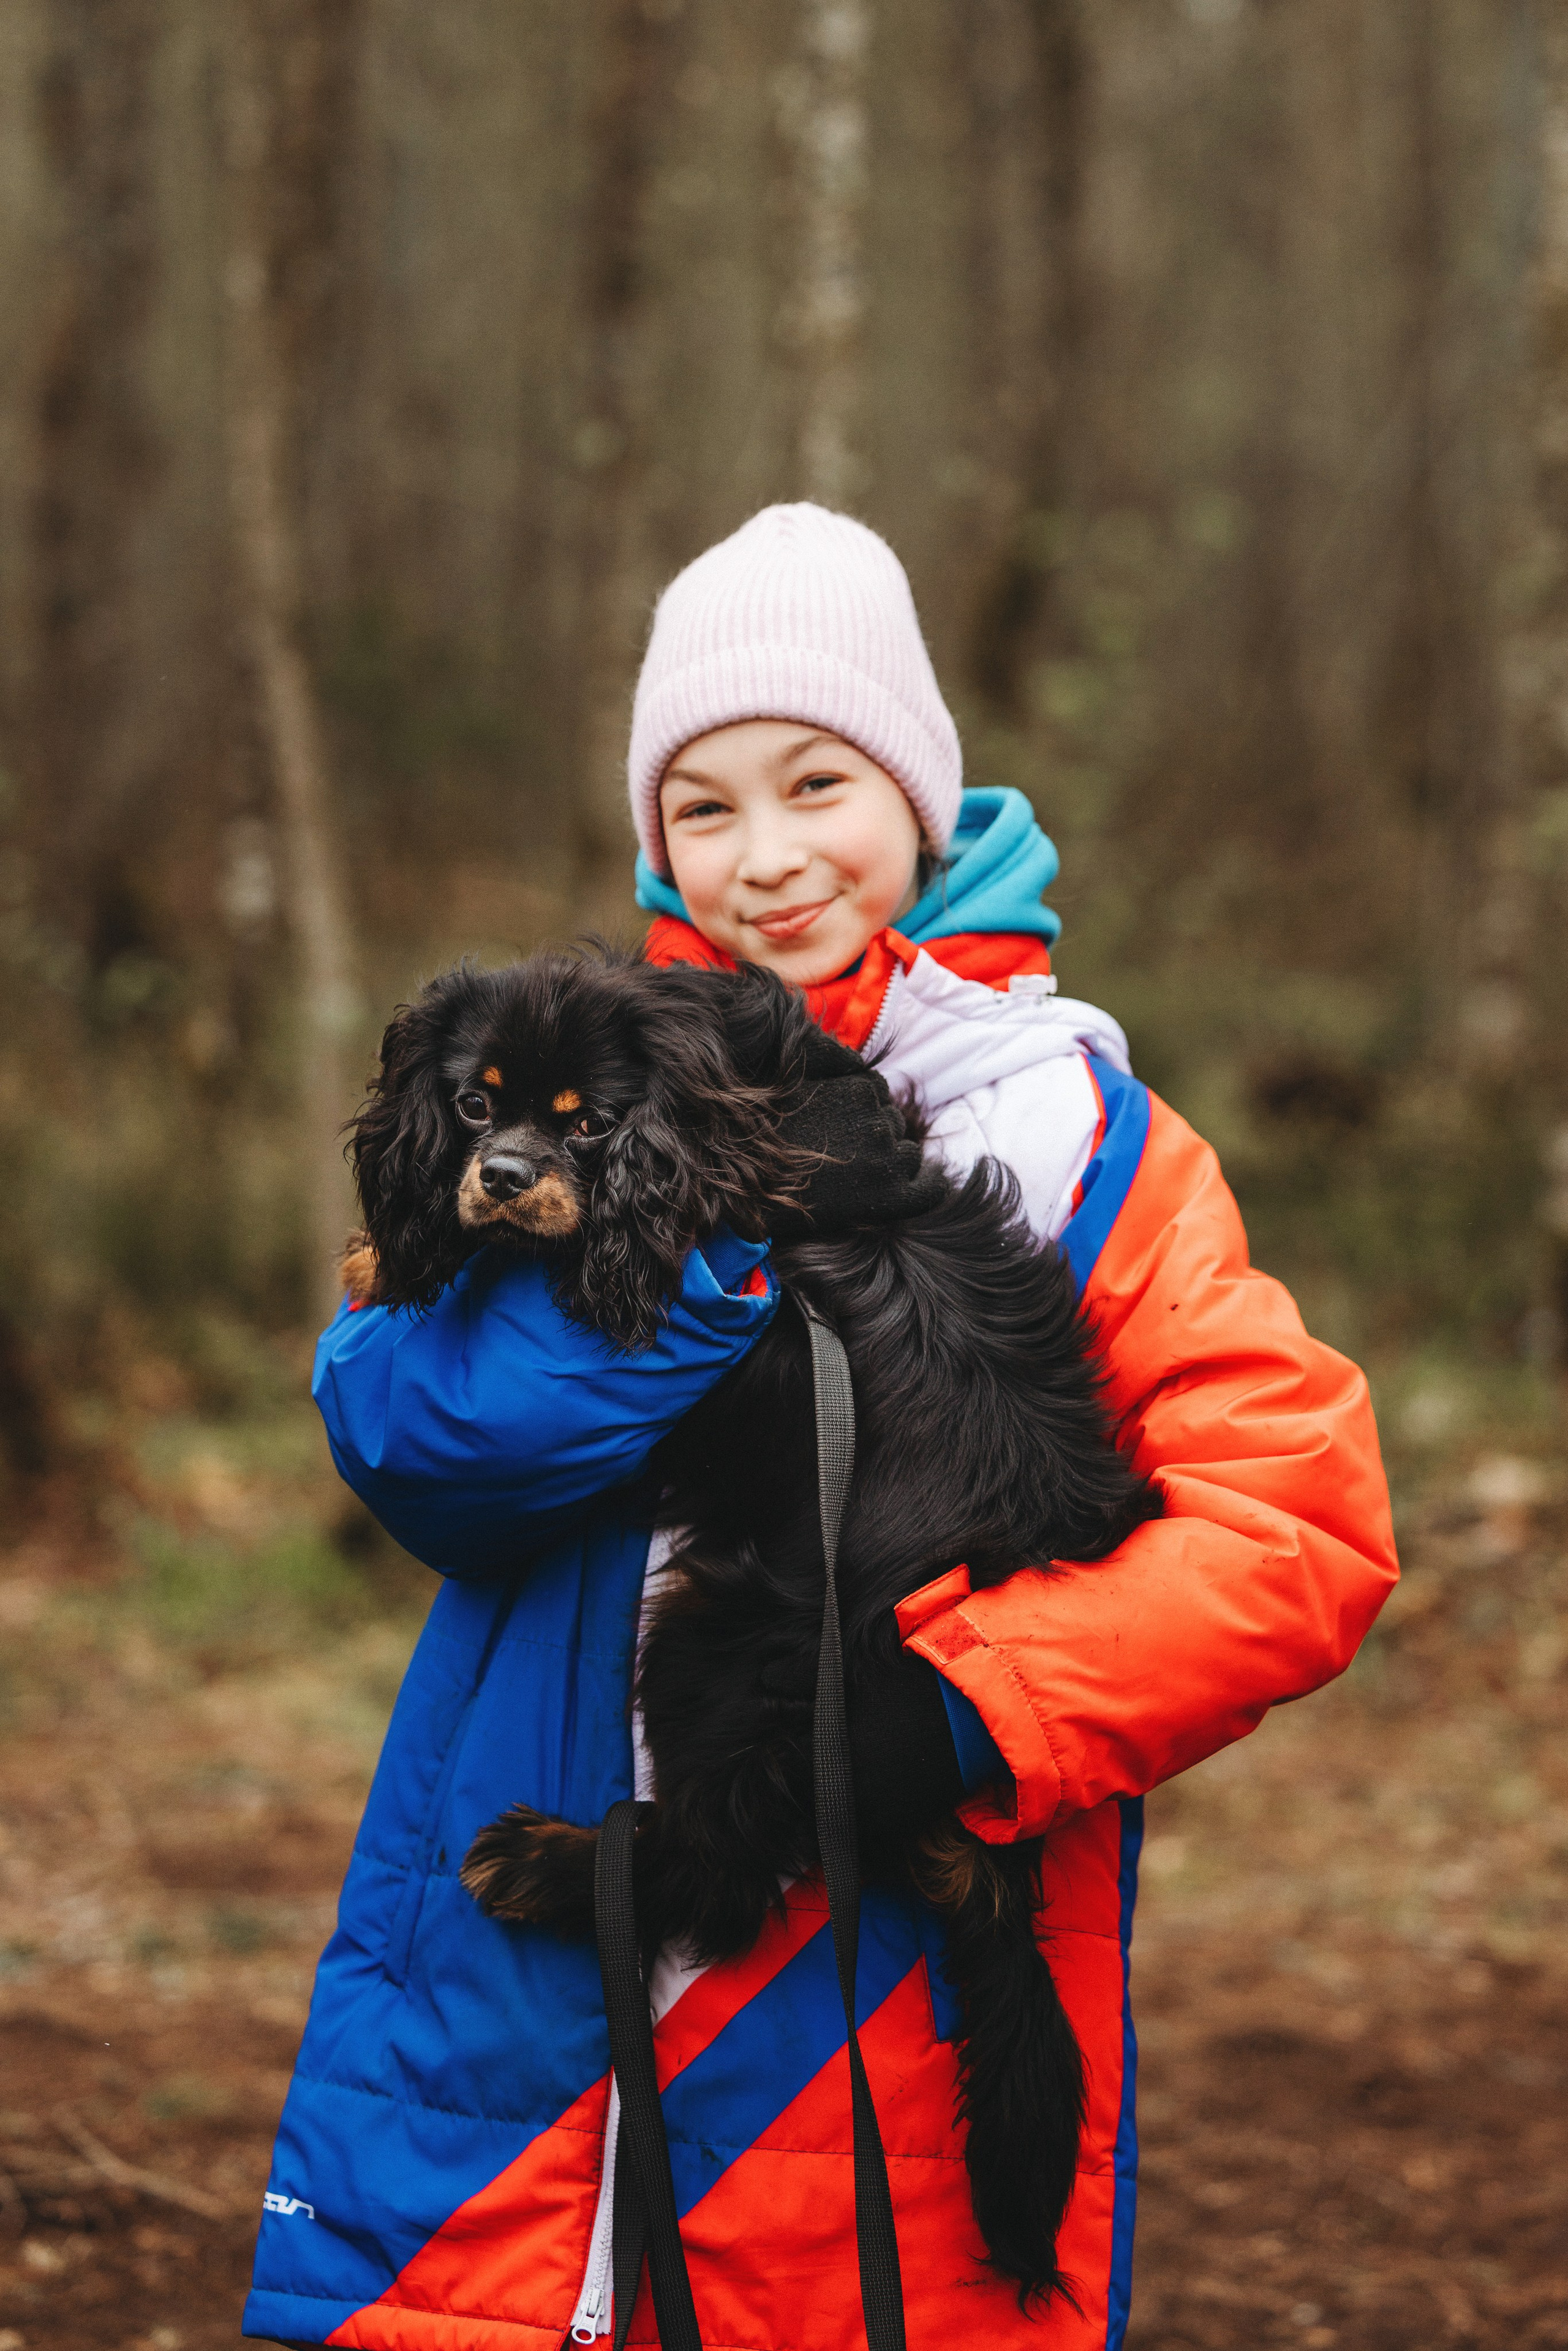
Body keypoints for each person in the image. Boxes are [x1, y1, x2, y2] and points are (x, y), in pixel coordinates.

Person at [244, 504, 1397, 2351]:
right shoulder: (570, 1083)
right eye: (703, 808)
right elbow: (420, 1443)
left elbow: (1302, 1536)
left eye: (817, 783)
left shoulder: (1083, 1141)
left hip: (866, 2004)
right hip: (524, 1998)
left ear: (922, 794)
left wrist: (955, 1707)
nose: (767, 858)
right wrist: (710, 1253)